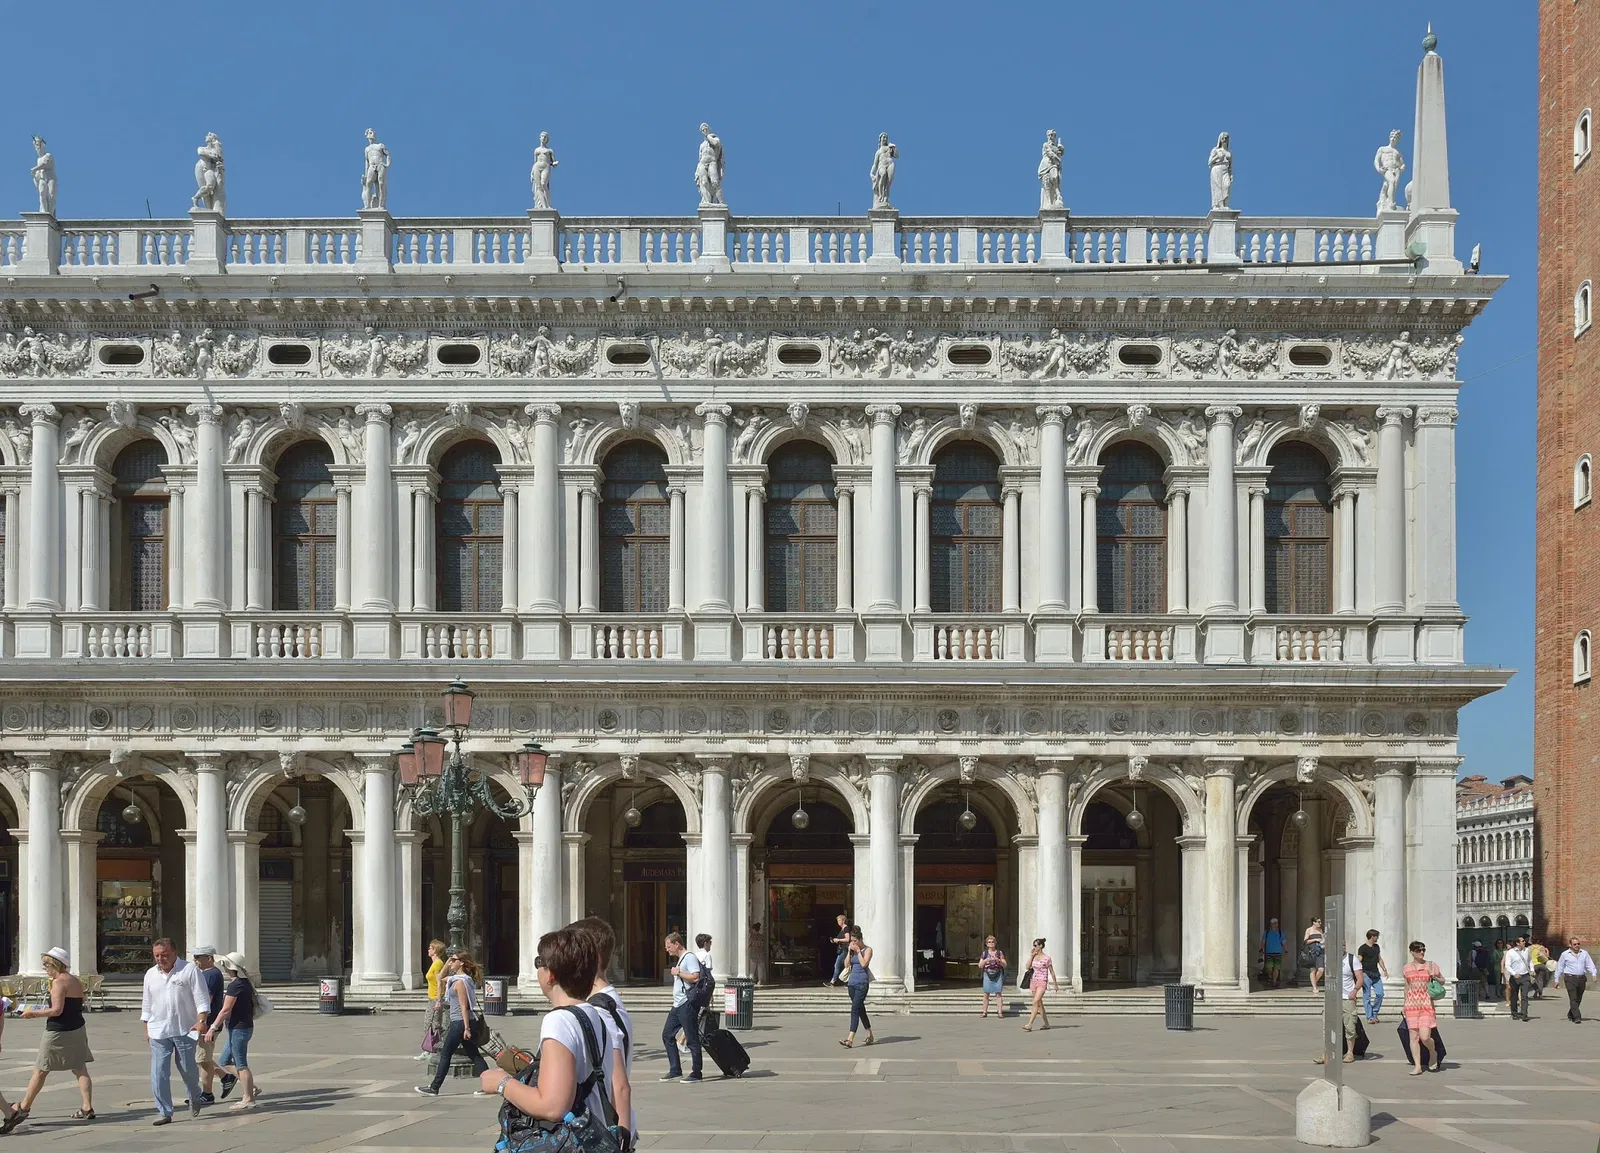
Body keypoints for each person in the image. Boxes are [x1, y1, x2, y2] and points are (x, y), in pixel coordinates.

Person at [480, 928, 621, 1143]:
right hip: (593, 1136)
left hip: (569, 1142)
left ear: (551, 974)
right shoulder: (595, 1015)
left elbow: (553, 1106)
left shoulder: (559, 1021)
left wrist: (501, 1083)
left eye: (539, 962)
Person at [7, 947, 94, 1128]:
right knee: (80, 1068)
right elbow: (79, 1003)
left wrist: (33, 1013)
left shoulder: (58, 982)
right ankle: (87, 1107)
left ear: (55, 964)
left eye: (46, 965)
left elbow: (56, 1010)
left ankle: (23, 1107)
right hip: (78, 1028)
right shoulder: (75, 981)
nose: (45, 968)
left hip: (58, 1031)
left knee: (40, 1070)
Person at [574, 917, 634, 1149]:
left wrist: (622, 1141)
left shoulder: (598, 1010)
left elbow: (620, 1085)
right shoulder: (608, 1001)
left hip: (601, 1131)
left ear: (593, 958)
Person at [140, 937, 209, 1125]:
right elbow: (147, 1004)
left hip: (185, 1028)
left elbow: (202, 999)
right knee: (159, 1072)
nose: (160, 959)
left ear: (174, 953)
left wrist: (201, 1021)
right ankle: (164, 1111)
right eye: (156, 955)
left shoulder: (189, 970)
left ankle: (194, 1094)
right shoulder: (150, 974)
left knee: (188, 1069)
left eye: (164, 955)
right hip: (158, 1030)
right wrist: (146, 1028)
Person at [416, 951, 488, 1095]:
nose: (450, 963)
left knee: (445, 1054)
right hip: (461, 1022)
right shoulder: (456, 979)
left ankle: (434, 1087)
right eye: (450, 960)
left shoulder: (460, 982)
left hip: (460, 1023)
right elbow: (439, 977)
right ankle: (491, 1083)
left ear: (461, 963)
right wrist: (448, 961)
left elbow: (464, 1006)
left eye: (453, 960)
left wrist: (466, 1028)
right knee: (474, 1055)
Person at [206, 952, 260, 1109]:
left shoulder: (235, 985)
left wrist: (212, 1028)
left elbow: (225, 1010)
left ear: (229, 967)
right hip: (240, 1028)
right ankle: (251, 1087)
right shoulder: (244, 982)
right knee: (224, 1060)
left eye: (224, 964)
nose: (223, 967)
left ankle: (248, 1098)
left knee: (241, 1064)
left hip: (239, 1029)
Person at [659, 933, 702, 1083]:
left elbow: (696, 976)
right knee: (667, 1035)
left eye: (668, 946)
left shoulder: (689, 957)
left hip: (686, 1003)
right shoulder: (681, 959)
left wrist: (678, 972)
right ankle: (675, 1070)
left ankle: (696, 1072)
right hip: (677, 1004)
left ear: (677, 944)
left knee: (692, 1038)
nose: (667, 949)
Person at [1401, 940, 1442, 1076]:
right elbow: (1407, 986)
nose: (1422, 952)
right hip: (1411, 1005)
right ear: (1412, 952)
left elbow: (1442, 980)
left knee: (1425, 1037)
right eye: (1418, 950)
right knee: (1413, 1037)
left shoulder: (1431, 965)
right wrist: (1404, 1004)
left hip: (1426, 1005)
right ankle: (1417, 1066)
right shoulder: (1406, 968)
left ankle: (1433, 1052)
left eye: (1423, 949)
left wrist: (1435, 976)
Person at [189, 947, 224, 1104]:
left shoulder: (211, 974)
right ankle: (226, 1077)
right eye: (195, 957)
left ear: (209, 958)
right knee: (202, 1057)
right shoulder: (204, 974)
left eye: (198, 957)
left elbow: (205, 999)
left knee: (202, 1059)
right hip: (203, 1023)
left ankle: (207, 1094)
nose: (195, 960)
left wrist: (200, 1020)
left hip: (208, 1023)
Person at [1316, 949, 1363, 1065]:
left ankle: (1350, 1053)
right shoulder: (1328, 958)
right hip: (1331, 998)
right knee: (1328, 1027)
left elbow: (1360, 978)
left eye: (1343, 944)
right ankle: (1328, 1053)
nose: (1342, 947)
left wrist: (1355, 990)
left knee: (1350, 1026)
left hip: (1347, 998)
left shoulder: (1352, 959)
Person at [840, 926, 874, 1048]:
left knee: (854, 1009)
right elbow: (846, 965)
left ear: (860, 940)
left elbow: (864, 964)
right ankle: (870, 1034)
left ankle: (850, 1039)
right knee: (860, 1010)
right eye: (852, 941)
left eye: (855, 941)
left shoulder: (868, 950)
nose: (853, 943)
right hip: (852, 983)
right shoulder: (852, 951)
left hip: (862, 984)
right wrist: (850, 952)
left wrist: (859, 951)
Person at [1554, 936, 1597, 1023]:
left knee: (1578, 998)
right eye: (1574, 944)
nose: (1577, 945)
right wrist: (1556, 980)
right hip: (1570, 978)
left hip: (1581, 978)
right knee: (1573, 998)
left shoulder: (1584, 953)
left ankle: (1571, 1013)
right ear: (1570, 945)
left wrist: (1593, 974)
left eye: (1578, 944)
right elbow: (1559, 967)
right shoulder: (1565, 954)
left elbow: (1590, 964)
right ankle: (1577, 1017)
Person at [417, 939, 446, 1062]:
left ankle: (432, 1050)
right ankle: (432, 1049)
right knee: (430, 1024)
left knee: (433, 1024)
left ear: (435, 950)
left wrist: (438, 1000)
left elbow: (440, 983)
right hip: (432, 997)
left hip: (435, 998)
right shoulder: (434, 963)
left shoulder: (438, 964)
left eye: (430, 948)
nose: (428, 950)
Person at [1021, 938, 1059, 1033]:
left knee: (1035, 1002)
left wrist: (1055, 984)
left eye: (1035, 945)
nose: (1034, 947)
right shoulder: (1034, 956)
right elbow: (1027, 967)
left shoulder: (1047, 958)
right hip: (1033, 981)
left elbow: (1052, 971)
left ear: (1040, 946)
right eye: (1033, 945)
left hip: (1042, 981)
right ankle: (1046, 1024)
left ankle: (1029, 1024)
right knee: (1039, 1004)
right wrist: (1031, 956)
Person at [1357, 929, 1389, 1023]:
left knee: (1380, 994)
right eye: (1376, 936)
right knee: (1367, 996)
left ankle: (1374, 1013)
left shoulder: (1376, 947)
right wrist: (1357, 973)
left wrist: (1384, 970)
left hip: (1376, 974)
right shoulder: (1362, 948)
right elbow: (1359, 960)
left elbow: (1379, 959)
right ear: (1372, 936)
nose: (1377, 938)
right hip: (1366, 974)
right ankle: (1369, 1017)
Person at [1503, 934, 1533, 1022]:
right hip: (1515, 977)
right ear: (1517, 943)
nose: (1525, 942)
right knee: (1514, 995)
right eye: (1523, 941)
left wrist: (1532, 969)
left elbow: (1530, 960)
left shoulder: (1526, 951)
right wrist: (1514, 973)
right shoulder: (1510, 952)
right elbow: (1507, 965)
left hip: (1525, 975)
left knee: (1524, 995)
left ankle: (1524, 1014)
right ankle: (1514, 1013)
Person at [979, 936, 1007, 1018]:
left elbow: (1005, 964)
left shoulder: (999, 953)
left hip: (997, 974)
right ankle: (984, 1012)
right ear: (986, 944)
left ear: (995, 943)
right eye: (989, 942)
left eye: (992, 942)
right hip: (987, 974)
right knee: (986, 993)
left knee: (998, 993)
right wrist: (985, 961)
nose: (991, 943)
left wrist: (999, 960)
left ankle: (1000, 1012)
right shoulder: (984, 953)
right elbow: (980, 965)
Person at [1259, 918, 1286, 989]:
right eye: (1274, 923)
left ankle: (1274, 982)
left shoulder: (1280, 932)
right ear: (1271, 924)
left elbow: (1284, 942)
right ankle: (1270, 976)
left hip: (1278, 952)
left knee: (1276, 968)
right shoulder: (1267, 932)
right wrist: (1261, 949)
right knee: (1269, 968)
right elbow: (1263, 941)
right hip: (1269, 952)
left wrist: (1286, 950)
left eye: (1276, 923)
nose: (1276, 924)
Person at [826, 913, 850, 987]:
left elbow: (847, 939)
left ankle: (833, 981)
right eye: (837, 921)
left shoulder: (846, 928)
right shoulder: (842, 929)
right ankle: (846, 981)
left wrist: (838, 939)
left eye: (839, 920)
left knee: (837, 965)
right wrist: (835, 940)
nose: (838, 922)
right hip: (841, 949)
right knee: (845, 965)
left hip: (844, 950)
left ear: (843, 921)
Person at [1304, 917, 1326, 995]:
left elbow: (1323, 939)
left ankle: (1314, 981)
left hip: (1320, 951)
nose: (1320, 923)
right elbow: (1306, 941)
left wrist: (1323, 944)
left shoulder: (1320, 930)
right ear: (1314, 922)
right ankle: (1314, 987)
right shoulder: (1309, 930)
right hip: (1312, 951)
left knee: (1321, 969)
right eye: (1318, 922)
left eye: (1320, 922)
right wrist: (1315, 940)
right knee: (1313, 969)